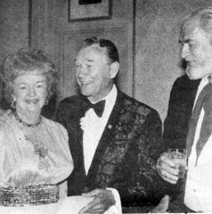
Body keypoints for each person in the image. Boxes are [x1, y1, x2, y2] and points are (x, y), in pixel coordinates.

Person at [56, 37, 167, 213]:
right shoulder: (66, 109)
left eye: (89, 66)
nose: (80, 74)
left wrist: (113, 196)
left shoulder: (143, 116)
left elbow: (152, 182)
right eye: (78, 66)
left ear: (112, 70)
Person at [157, 7, 212, 212]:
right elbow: (168, 145)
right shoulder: (182, 87)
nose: (183, 54)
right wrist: (162, 164)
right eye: (182, 45)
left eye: (190, 44)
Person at [0, 49, 76, 214]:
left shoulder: (59, 132)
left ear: (48, 91)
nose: (32, 93)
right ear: (12, 93)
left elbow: (62, 191)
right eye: (23, 87)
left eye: (39, 85)